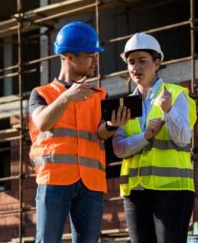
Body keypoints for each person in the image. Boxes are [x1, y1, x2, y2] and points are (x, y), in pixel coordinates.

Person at [28, 22, 131, 243]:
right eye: (90, 55)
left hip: (90, 183)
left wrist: (112, 126)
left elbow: (99, 134)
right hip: (54, 180)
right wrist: (66, 97)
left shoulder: (98, 95)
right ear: (69, 57)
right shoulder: (41, 93)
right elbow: (42, 122)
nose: (95, 61)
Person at [112, 33, 196, 243]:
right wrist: (145, 136)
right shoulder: (124, 105)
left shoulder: (176, 95)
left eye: (142, 61)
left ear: (157, 63)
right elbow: (119, 149)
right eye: (131, 62)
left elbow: (184, 138)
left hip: (173, 189)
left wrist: (168, 110)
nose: (135, 68)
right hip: (135, 192)